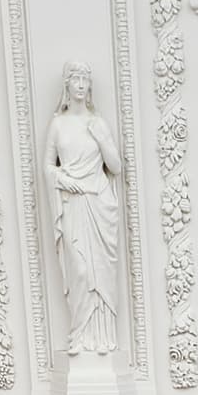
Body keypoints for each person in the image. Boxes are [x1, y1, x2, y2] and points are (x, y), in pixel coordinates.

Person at [49, 67, 125, 363]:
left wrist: (103, 139)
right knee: (80, 270)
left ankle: (103, 337)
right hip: (73, 204)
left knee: (102, 273)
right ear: (67, 86)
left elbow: (116, 167)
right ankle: (80, 333)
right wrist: (60, 179)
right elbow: (47, 166)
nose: (80, 86)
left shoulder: (98, 123)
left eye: (85, 81)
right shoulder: (58, 125)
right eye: (75, 80)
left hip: (99, 203)